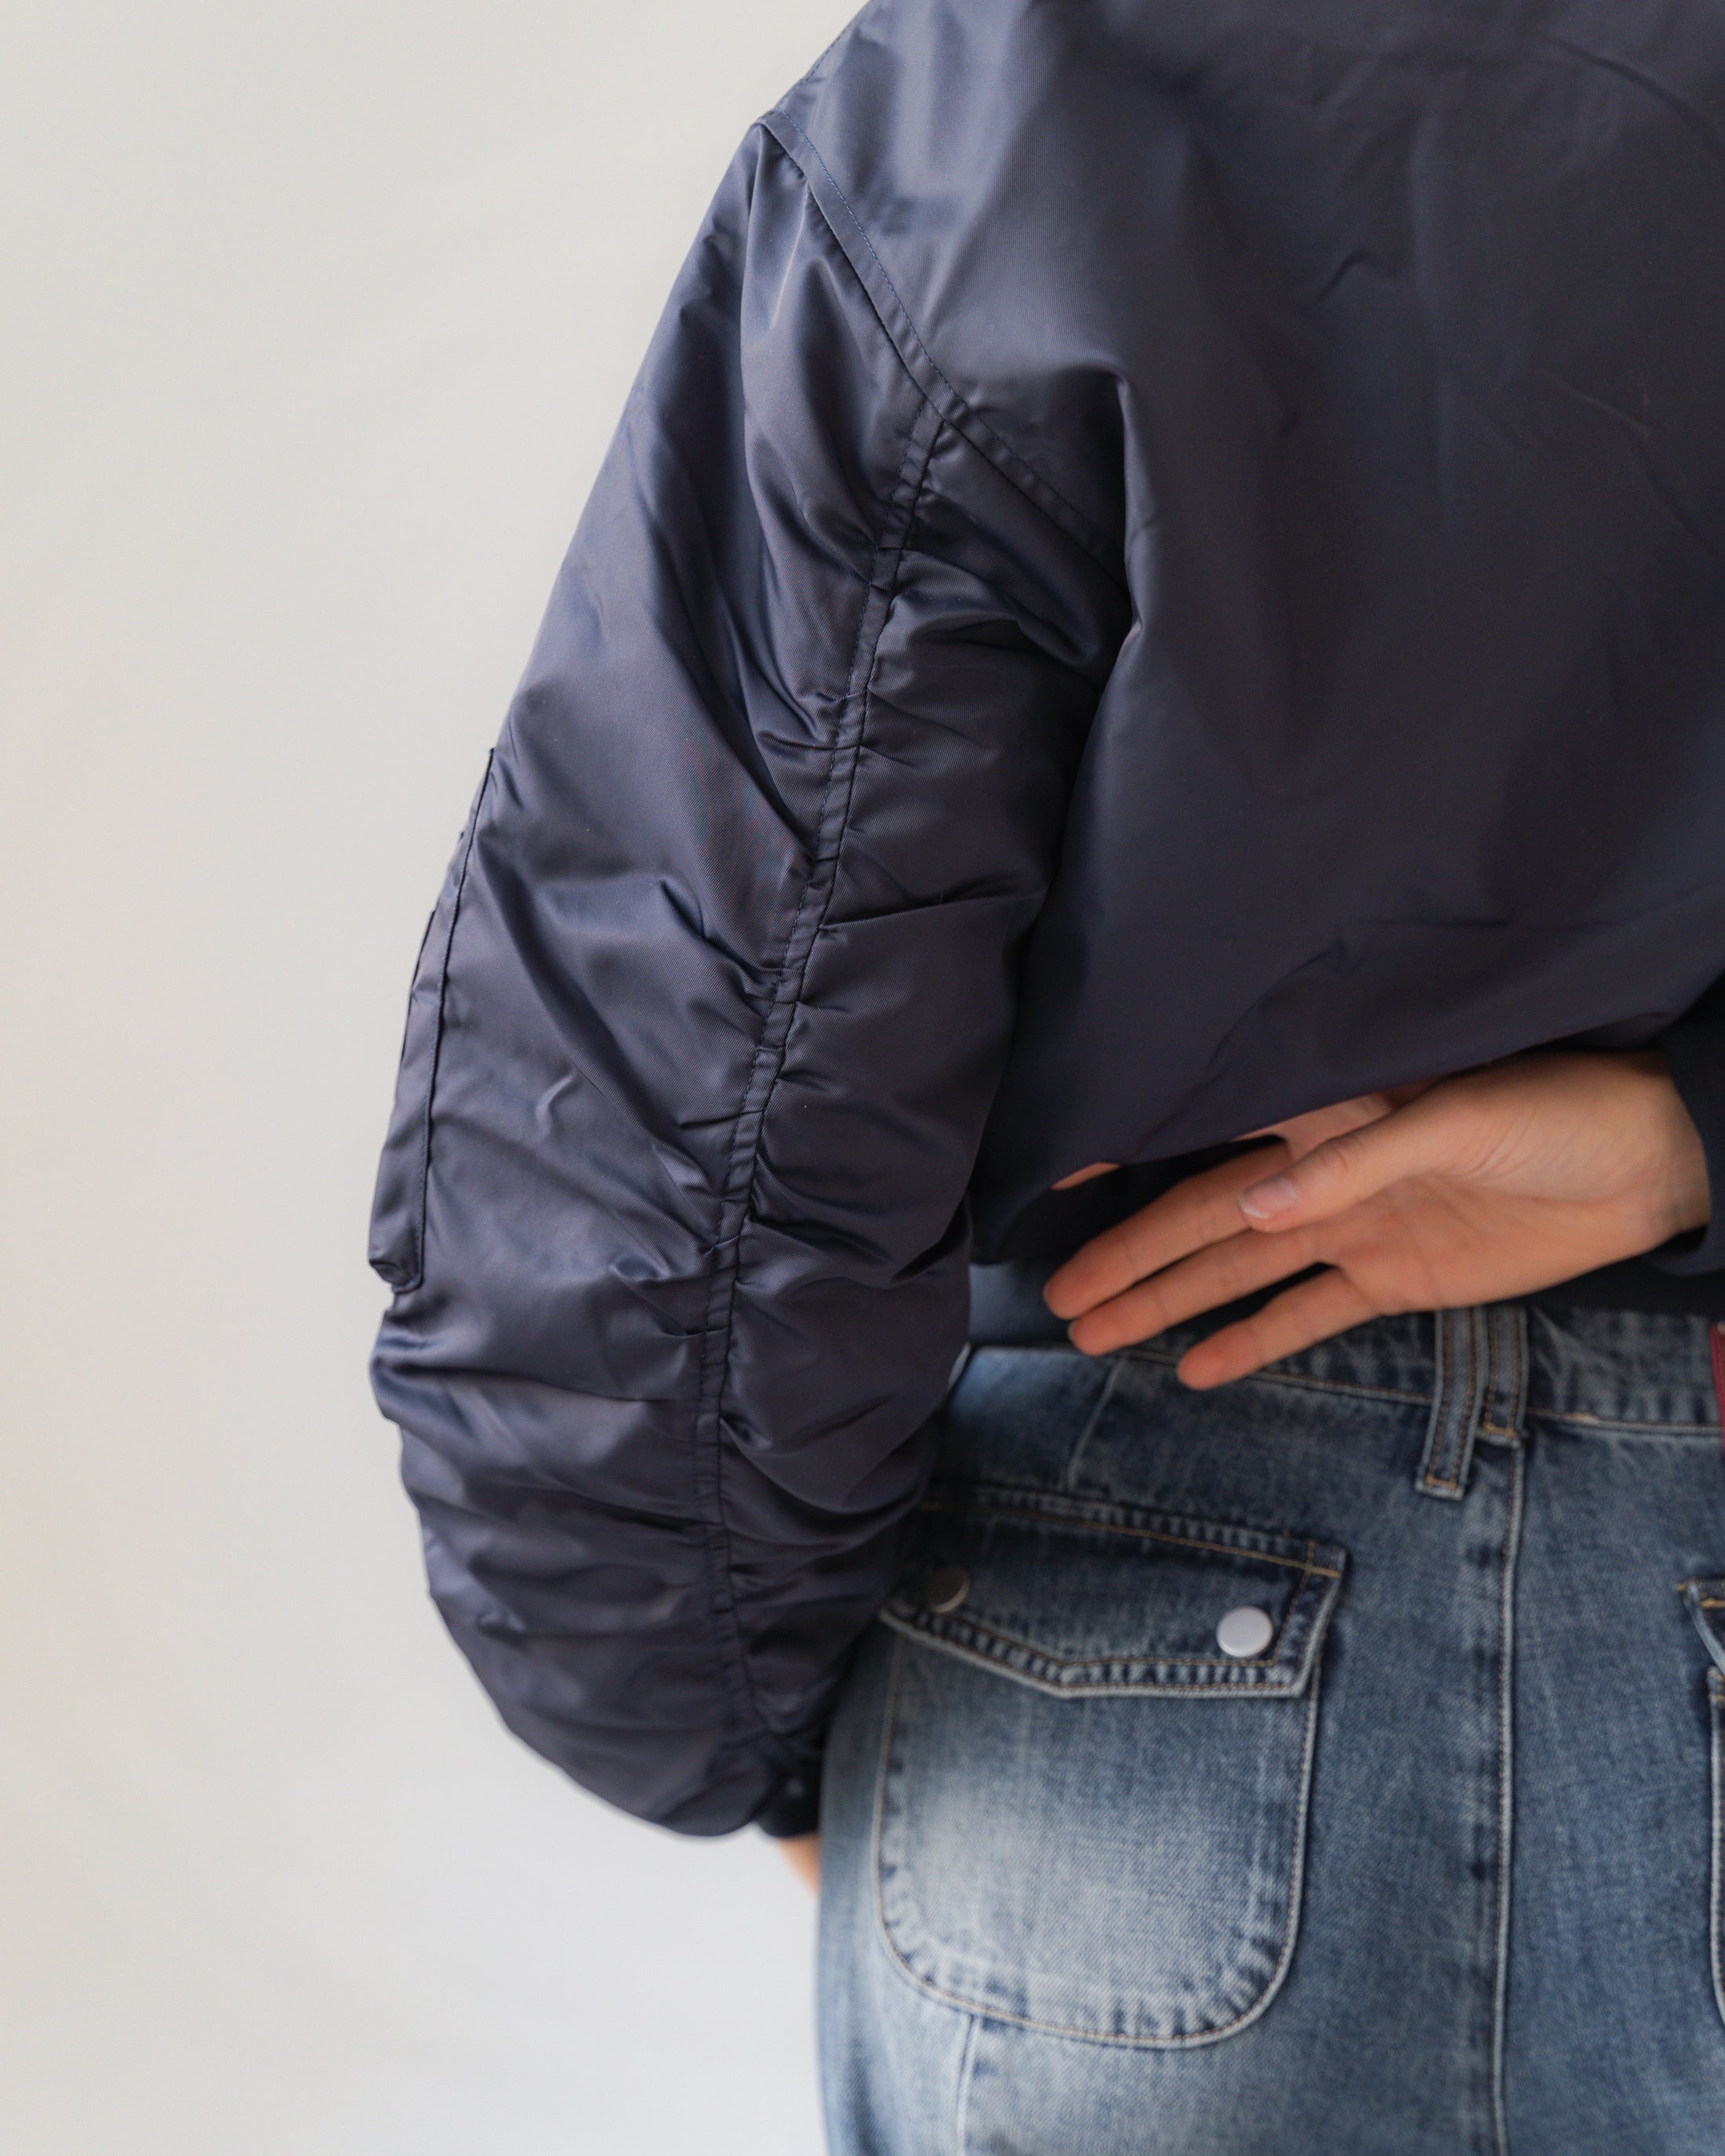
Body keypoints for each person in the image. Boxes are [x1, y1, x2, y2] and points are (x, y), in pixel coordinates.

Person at [366, 2, 1725, 2146]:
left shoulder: (1022, 82)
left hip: (1129, 1646)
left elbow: (691, 1106)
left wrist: (725, 1707)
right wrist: (1686, 1140)